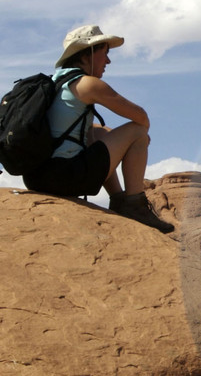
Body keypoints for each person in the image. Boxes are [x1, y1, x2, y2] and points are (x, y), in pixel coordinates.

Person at [24, 25, 168, 230]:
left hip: (36, 177)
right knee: (136, 132)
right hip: (65, 177)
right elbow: (141, 118)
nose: (108, 61)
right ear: (88, 52)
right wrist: (139, 140)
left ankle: (118, 200)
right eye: (105, 53)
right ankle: (134, 205)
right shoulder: (88, 84)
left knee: (102, 131)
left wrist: (113, 138)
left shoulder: (54, 83)